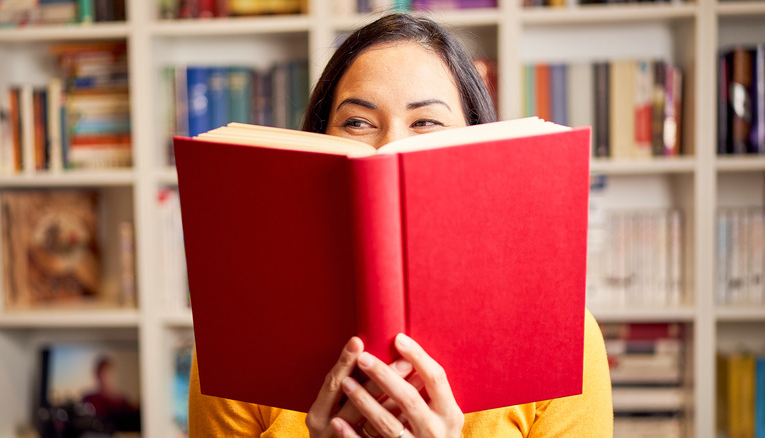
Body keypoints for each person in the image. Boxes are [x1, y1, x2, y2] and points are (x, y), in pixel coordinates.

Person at [188, 12, 613, 437]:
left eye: (425, 122)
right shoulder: (241, 340)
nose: (391, 146)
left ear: (477, 140)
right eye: (357, 122)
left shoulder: (562, 343)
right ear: (318, 137)